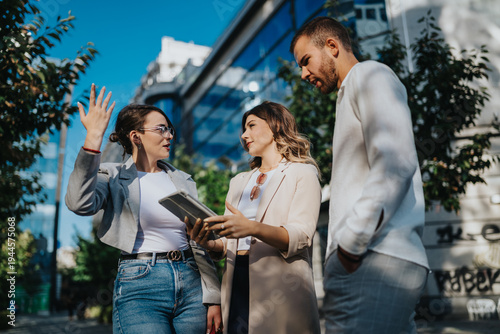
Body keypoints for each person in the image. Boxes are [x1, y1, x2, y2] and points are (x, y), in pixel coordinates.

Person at [290, 17, 429, 333]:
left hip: (372, 259)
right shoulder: (350, 92)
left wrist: (351, 244)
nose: (303, 74)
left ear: (332, 46)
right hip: (375, 259)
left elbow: (397, 161)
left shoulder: (369, 74)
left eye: (306, 61)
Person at [65, 84, 222, 334]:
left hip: (192, 283)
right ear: (135, 136)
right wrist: (93, 138)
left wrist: (214, 296)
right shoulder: (111, 174)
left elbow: (198, 243)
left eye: (169, 129)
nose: (169, 135)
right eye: (161, 129)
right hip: (141, 284)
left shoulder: (182, 179)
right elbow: (78, 203)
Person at [187, 101, 322, 334]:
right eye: (243, 128)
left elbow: (301, 236)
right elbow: (228, 241)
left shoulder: (303, 172)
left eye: (251, 125)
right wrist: (208, 242)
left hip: (281, 287)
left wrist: (251, 228)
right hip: (236, 279)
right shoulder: (238, 181)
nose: (243, 135)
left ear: (275, 125)